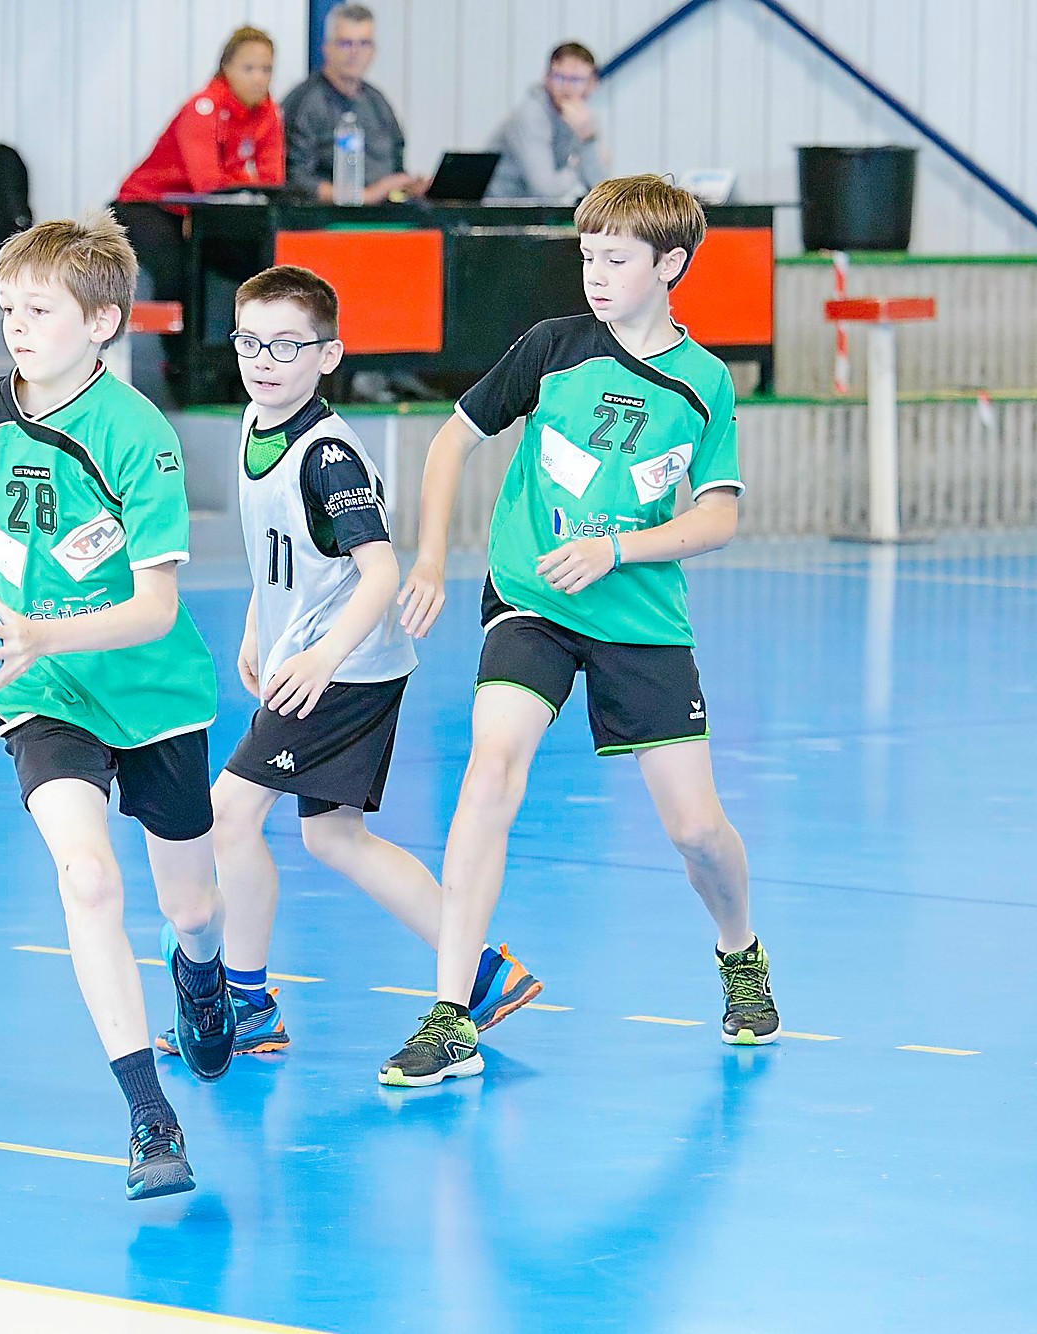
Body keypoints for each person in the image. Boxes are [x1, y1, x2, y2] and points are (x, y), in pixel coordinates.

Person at [381, 175, 781, 1088]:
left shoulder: (705, 382)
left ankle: (740, 949)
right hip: (533, 600)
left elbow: (718, 516)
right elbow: (451, 440)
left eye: (616, 259)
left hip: (639, 617)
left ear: (670, 265)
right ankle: (451, 1010)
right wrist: (432, 557)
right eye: (587, 256)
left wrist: (617, 549)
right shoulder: (552, 348)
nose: (595, 275)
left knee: (696, 831)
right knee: (491, 770)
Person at [164, 264, 542, 1061]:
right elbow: (286, 553)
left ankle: (247, 1002)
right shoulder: (255, 421)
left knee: (228, 814)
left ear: (329, 356)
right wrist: (259, 626)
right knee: (333, 836)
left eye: (287, 345)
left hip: (345, 668)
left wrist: (322, 656)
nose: (265, 360)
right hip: (320, 656)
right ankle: (481, 971)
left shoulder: (326, 456)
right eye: (250, 342)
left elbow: (378, 571)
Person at [0, 213, 233, 1201]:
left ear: (102, 321)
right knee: (88, 878)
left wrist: (41, 630)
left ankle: (201, 972)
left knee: (193, 905)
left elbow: (154, 608)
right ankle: (149, 1113)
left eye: (39, 310)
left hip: (150, 691)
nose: (15, 327)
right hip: (41, 690)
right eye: (8, 308)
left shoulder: (137, 436)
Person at [113, 25, 283, 386]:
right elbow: (207, 182)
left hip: (202, 213)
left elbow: (272, 181)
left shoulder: (268, 113)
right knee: (178, 269)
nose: (258, 78)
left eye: (266, 69)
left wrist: (241, 183)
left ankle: (247, 364)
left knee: (261, 261)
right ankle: (180, 368)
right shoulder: (203, 107)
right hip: (148, 205)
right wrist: (244, 180)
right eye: (248, 68)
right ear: (226, 68)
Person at [279, 4, 427, 205]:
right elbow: (293, 180)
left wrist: (409, 186)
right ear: (327, 48)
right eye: (346, 43)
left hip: (386, 214)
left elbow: (397, 167)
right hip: (326, 217)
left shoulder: (378, 103)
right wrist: (364, 196)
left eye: (364, 44)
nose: (355, 52)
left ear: (374, 50)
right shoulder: (305, 103)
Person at [484, 42, 610, 203]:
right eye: (559, 77)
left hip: (532, 209)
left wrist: (587, 139)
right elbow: (545, 191)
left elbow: (600, 191)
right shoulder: (531, 115)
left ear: (592, 83)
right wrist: (578, 164)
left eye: (576, 80)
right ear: (546, 78)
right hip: (498, 210)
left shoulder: (583, 118)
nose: (567, 87)